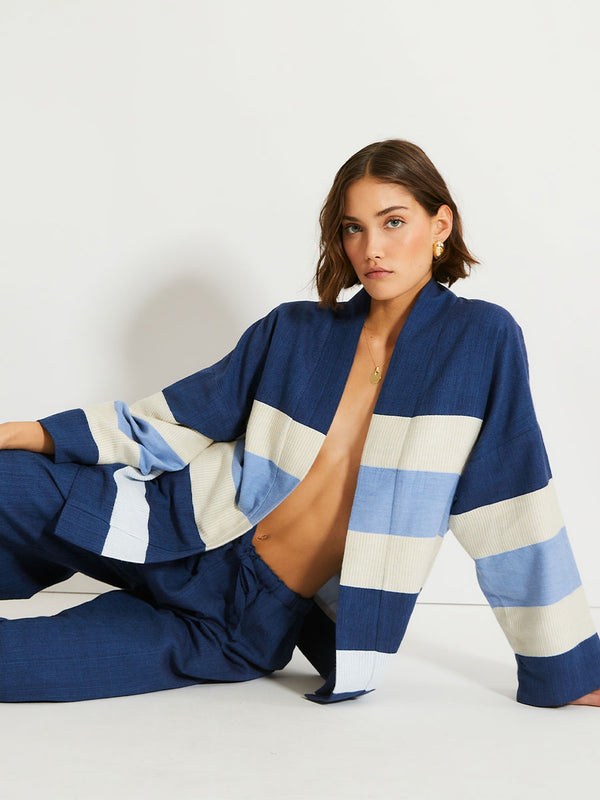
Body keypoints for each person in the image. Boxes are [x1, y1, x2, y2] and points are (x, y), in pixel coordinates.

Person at [0, 139, 599, 707]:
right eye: (354, 228)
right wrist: (23, 431)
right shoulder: (296, 331)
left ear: (439, 225)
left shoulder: (480, 340)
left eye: (394, 222)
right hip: (168, 526)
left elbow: (513, 508)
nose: (373, 249)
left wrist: (563, 669)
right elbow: (177, 419)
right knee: (9, 478)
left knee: (20, 666)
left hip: (238, 618)